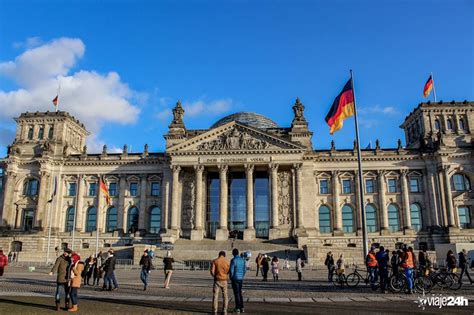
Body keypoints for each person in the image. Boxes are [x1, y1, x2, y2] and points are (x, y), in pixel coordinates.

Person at [230, 248, 246, 313]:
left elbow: (231, 271)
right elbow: (245, 270)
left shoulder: (233, 260)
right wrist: (242, 275)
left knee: (236, 293)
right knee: (240, 293)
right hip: (241, 279)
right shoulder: (242, 260)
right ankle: (242, 307)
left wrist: (231, 277)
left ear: (233, 253)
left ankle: (237, 308)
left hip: (235, 279)